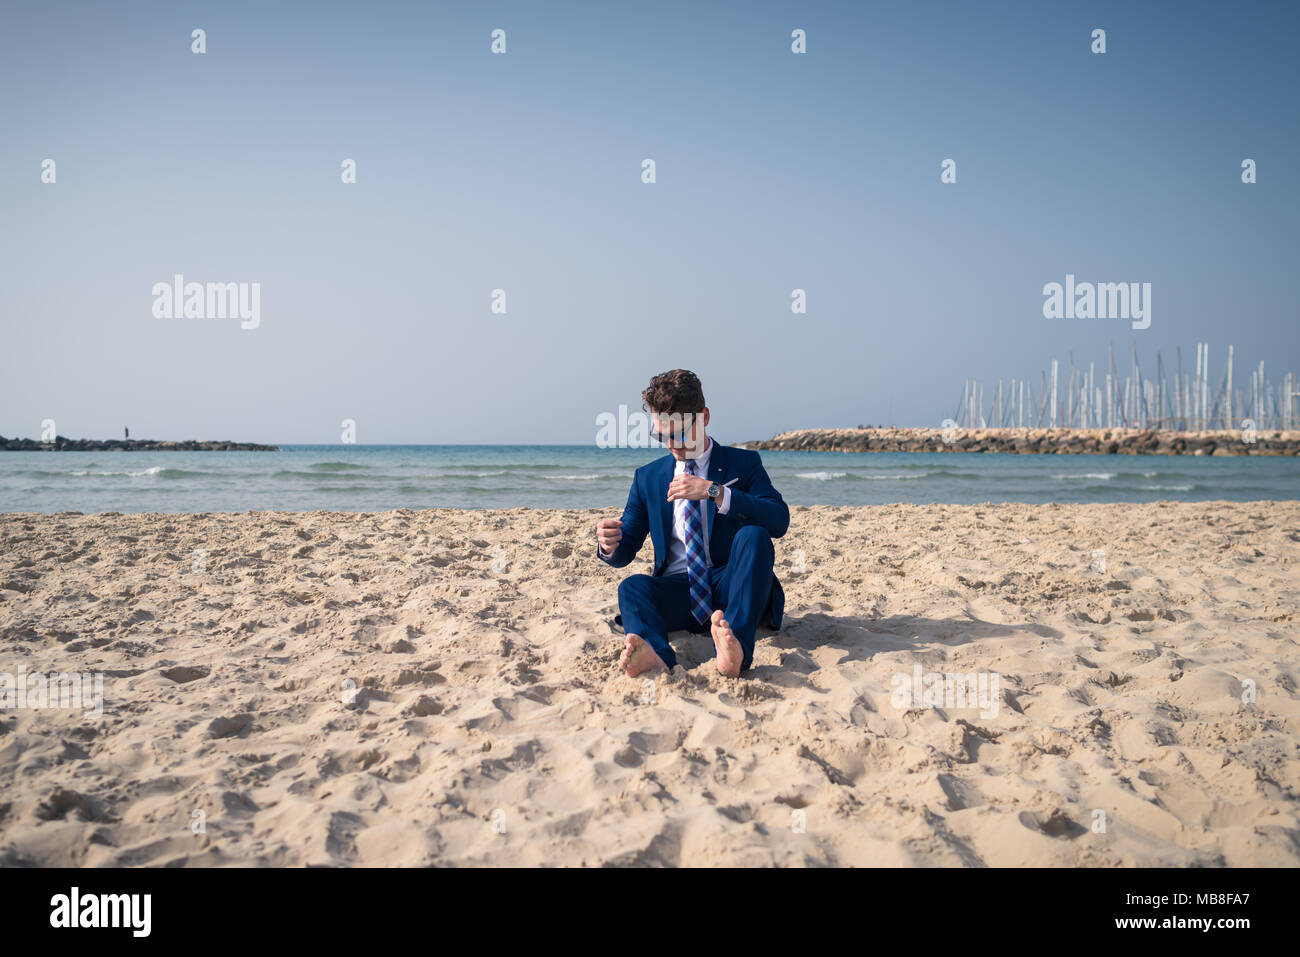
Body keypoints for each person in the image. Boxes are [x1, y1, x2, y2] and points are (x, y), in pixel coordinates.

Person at [595, 370, 789, 678]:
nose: (672, 445)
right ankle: (657, 656)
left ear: (705, 417)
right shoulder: (648, 477)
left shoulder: (744, 464)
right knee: (632, 586)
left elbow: (779, 520)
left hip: (734, 589)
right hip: (678, 592)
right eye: (663, 435)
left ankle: (735, 649)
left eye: (681, 434)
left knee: (754, 536)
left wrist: (716, 491)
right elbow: (625, 551)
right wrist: (609, 544)